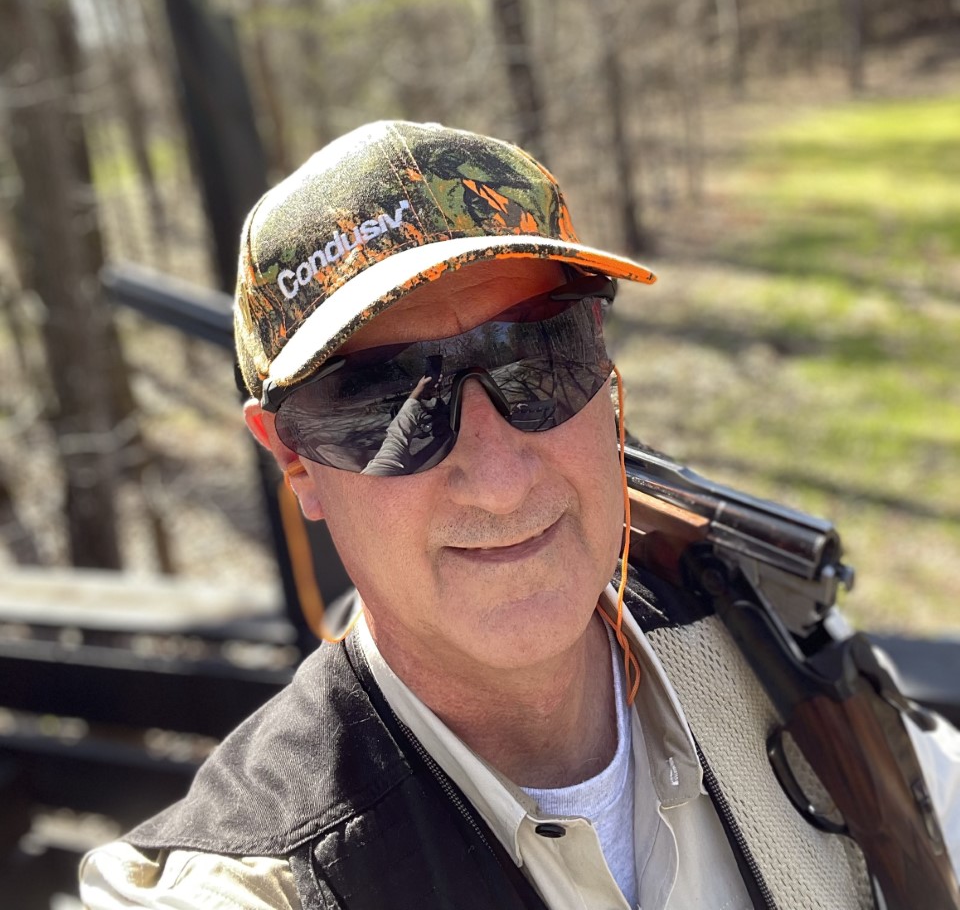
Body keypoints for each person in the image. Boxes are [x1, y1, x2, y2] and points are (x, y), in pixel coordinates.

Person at [81, 119, 960, 910]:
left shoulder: (773, 642)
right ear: (294, 459)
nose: (499, 480)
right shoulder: (255, 879)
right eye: (385, 403)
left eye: (539, 356)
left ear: (603, 365)